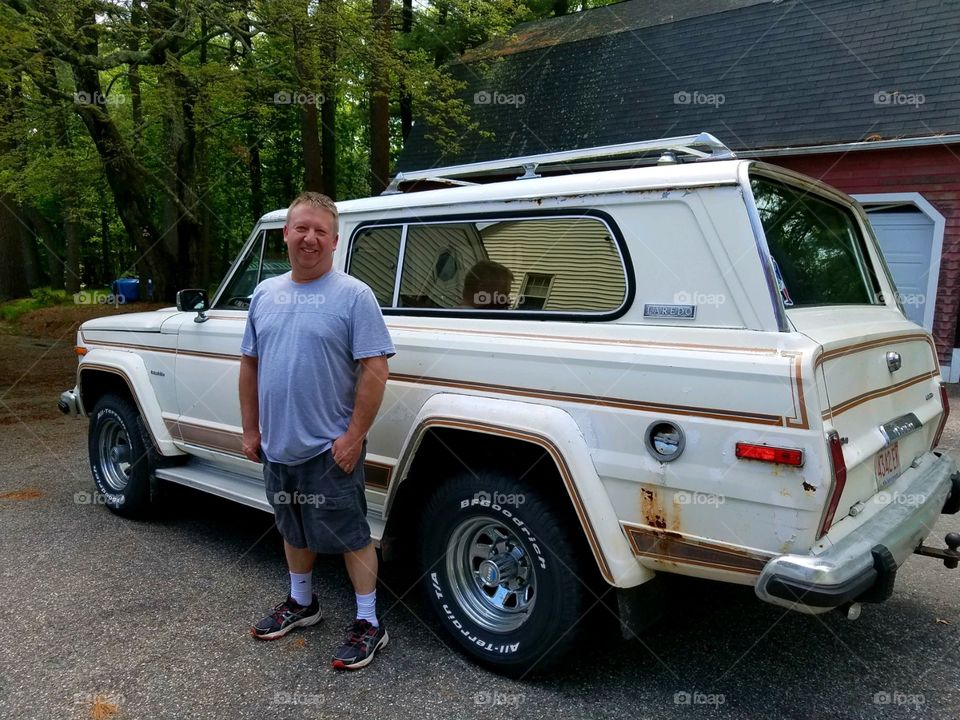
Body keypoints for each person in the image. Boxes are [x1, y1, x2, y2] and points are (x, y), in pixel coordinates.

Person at [239, 191, 395, 671]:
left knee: (351, 535)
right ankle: (302, 603)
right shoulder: (265, 293)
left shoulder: (354, 296)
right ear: (285, 233)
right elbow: (249, 363)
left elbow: (375, 370)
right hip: (279, 446)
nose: (309, 238)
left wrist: (352, 438)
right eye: (301, 228)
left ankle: (370, 622)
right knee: (292, 526)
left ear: (334, 240)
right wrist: (251, 430)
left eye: (320, 231)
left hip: (330, 449)